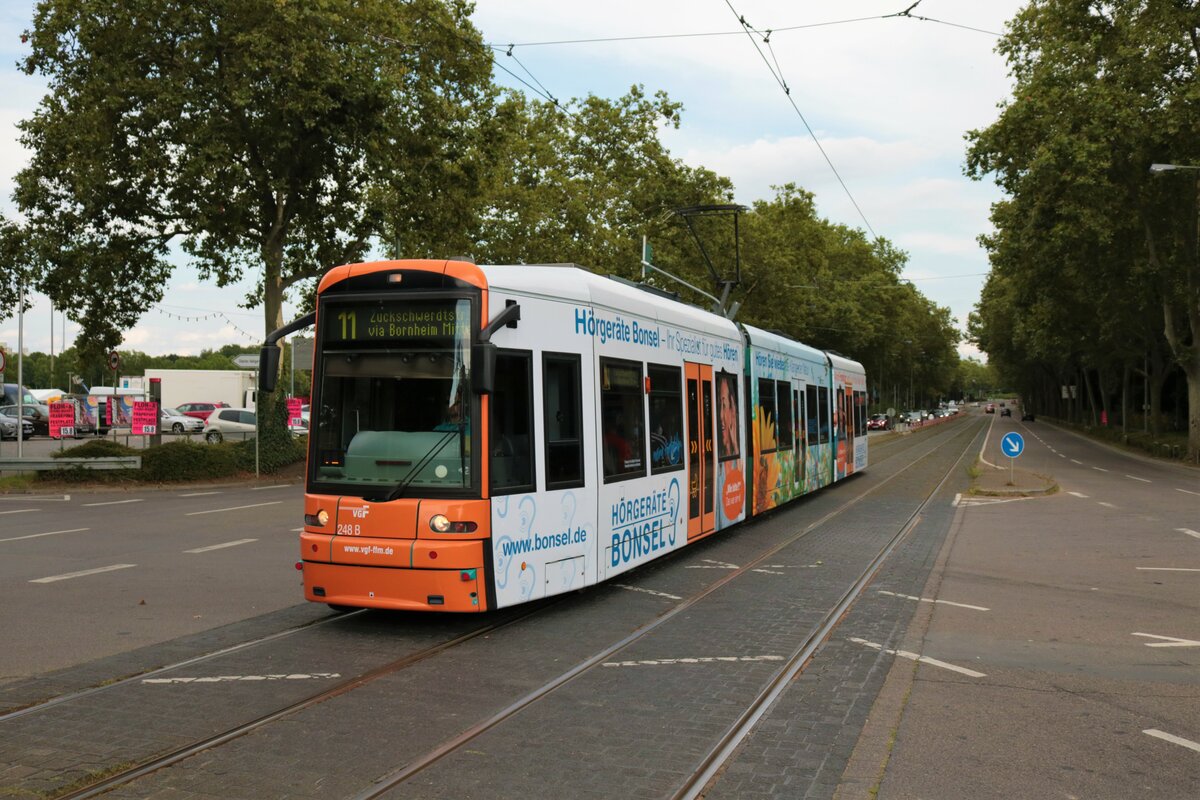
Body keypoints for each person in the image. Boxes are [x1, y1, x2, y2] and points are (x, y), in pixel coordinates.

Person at [718, 375, 739, 458]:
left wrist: (735, 446)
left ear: (732, 410)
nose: (720, 416)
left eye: (724, 406)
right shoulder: (718, 454)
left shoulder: (737, 451)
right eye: (719, 405)